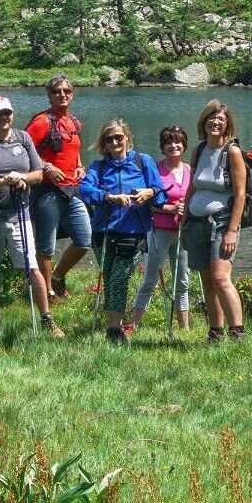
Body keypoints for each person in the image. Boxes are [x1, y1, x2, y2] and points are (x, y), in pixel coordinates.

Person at [0, 96, 65, 337]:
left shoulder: (23, 138)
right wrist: (3, 181)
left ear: (12, 115)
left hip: (18, 212)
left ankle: (46, 318)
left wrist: (21, 178)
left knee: (30, 268)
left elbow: (38, 174)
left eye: (7, 113)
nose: (3, 118)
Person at [80, 119, 165, 344]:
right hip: (103, 232)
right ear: (104, 143)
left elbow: (160, 193)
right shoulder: (98, 167)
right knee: (109, 278)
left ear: (127, 137)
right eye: (109, 139)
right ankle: (114, 328)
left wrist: (148, 192)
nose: (115, 142)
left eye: (119, 137)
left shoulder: (142, 161)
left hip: (133, 231)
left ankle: (113, 330)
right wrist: (109, 197)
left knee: (119, 278)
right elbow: (85, 190)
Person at [182, 100, 247, 342]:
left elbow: (240, 194)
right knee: (207, 281)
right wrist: (184, 221)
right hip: (197, 223)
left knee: (221, 278)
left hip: (222, 222)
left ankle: (238, 332)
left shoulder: (232, 152)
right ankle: (215, 332)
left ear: (227, 124)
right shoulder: (198, 150)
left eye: (221, 119)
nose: (215, 122)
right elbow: (191, 187)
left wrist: (232, 230)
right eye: (212, 117)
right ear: (204, 121)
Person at [25, 74, 92, 303]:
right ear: (49, 95)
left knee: (84, 239)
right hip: (46, 191)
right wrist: (46, 167)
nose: (62, 95)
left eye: (66, 91)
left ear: (72, 94)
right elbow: (24, 150)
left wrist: (81, 166)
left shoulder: (74, 122)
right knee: (46, 246)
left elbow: (75, 150)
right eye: (56, 92)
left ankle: (57, 276)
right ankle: (48, 293)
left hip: (71, 190)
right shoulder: (42, 122)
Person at [131, 126, 192, 334]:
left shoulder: (190, 170)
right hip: (159, 230)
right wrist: (170, 208)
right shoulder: (155, 170)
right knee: (151, 277)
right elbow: (145, 202)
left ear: (184, 144)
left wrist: (189, 210)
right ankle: (134, 324)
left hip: (183, 231)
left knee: (182, 279)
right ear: (162, 147)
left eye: (177, 141)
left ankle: (184, 327)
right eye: (168, 142)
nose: (173, 146)